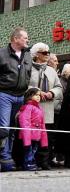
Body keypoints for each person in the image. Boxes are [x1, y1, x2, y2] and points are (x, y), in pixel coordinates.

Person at [0, 26, 33, 172]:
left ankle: (8, 157)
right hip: (4, 95)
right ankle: (4, 157)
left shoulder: (27, 55)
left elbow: (28, 73)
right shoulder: (1, 53)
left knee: (13, 130)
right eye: (25, 38)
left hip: (20, 97)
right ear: (15, 39)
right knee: (4, 128)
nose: (28, 40)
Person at [28, 43, 63, 169]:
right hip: (32, 108)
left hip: (48, 107)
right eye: (44, 53)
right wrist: (37, 91)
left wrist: (51, 93)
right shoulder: (29, 69)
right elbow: (24, 86)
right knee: (31, 135)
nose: (47, 54)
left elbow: (59, 87)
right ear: (36, 54)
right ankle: (30, 161)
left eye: (48, 52)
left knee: (46, 136)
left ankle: (44, 162)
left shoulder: (51, 71)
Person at [17, 87, 48, 171]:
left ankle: (31, 162)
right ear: (29, 96)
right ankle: (28, 163)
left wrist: (43, 136)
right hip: (29, 135)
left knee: (34, 150)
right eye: (35, 95)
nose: (38, 97)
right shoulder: (27, 107)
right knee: (28, 150)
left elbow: (42, 124)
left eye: (39, 95)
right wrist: (26, 136)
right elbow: (25, 121)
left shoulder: (39, 108)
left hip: (36, 135)